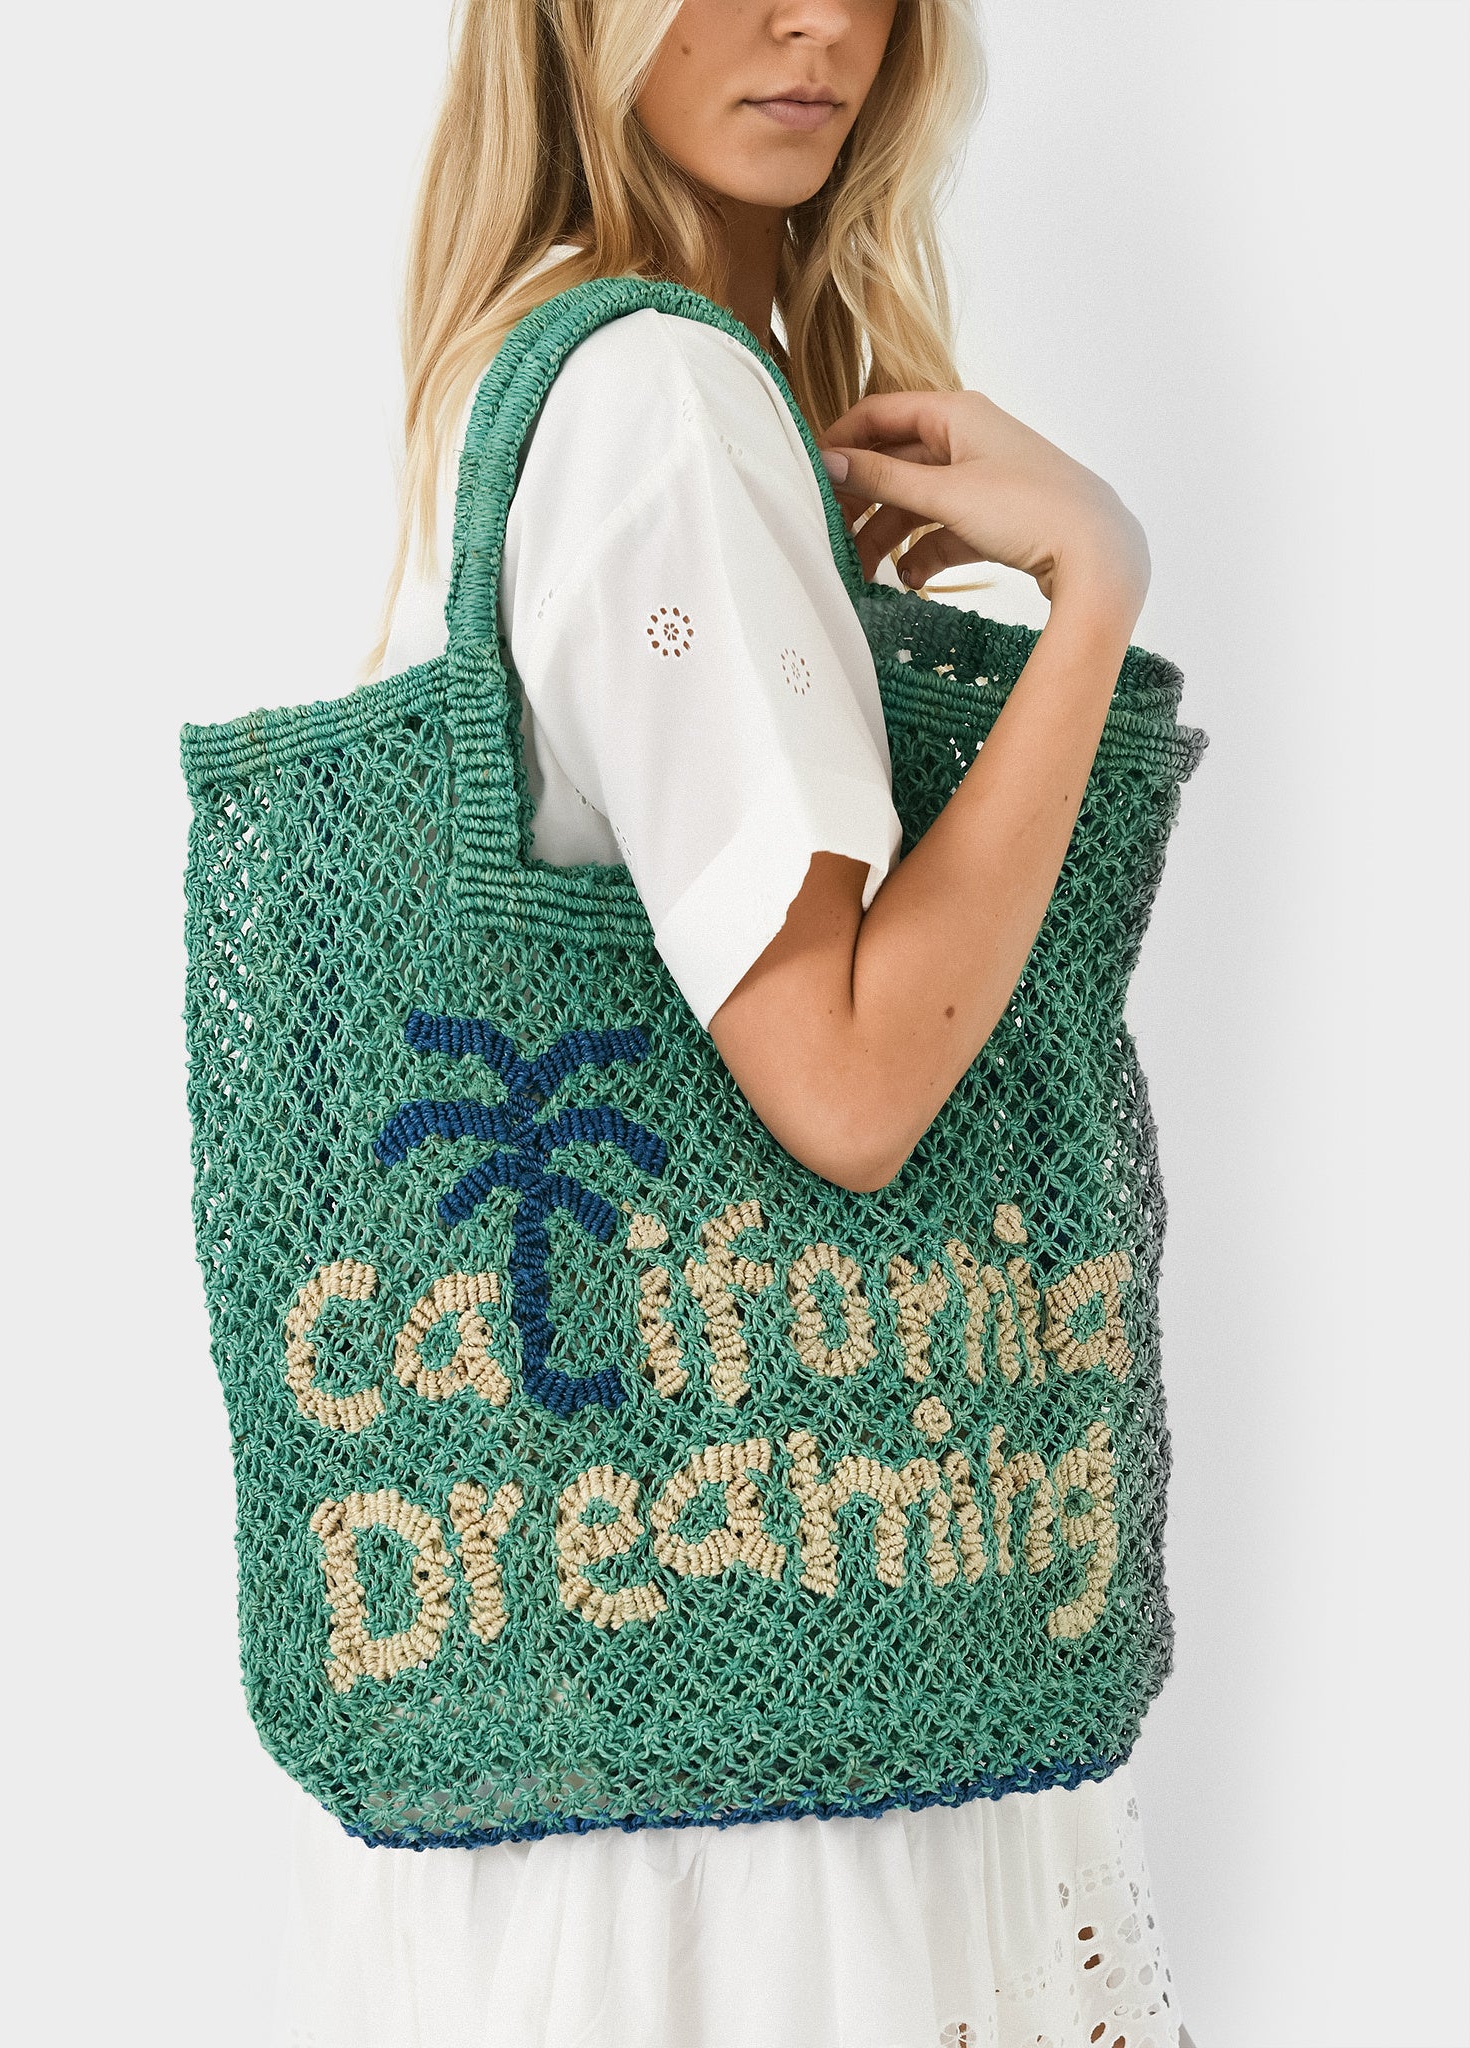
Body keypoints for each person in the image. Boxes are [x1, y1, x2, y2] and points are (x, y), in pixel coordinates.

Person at [273, 4, 1188, 2043]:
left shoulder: (547, 367)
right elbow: (849, 1085)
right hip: (762, 1772)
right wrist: (1094, 592)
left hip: (611, 1706)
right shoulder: (660, 398)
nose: (818, 21)